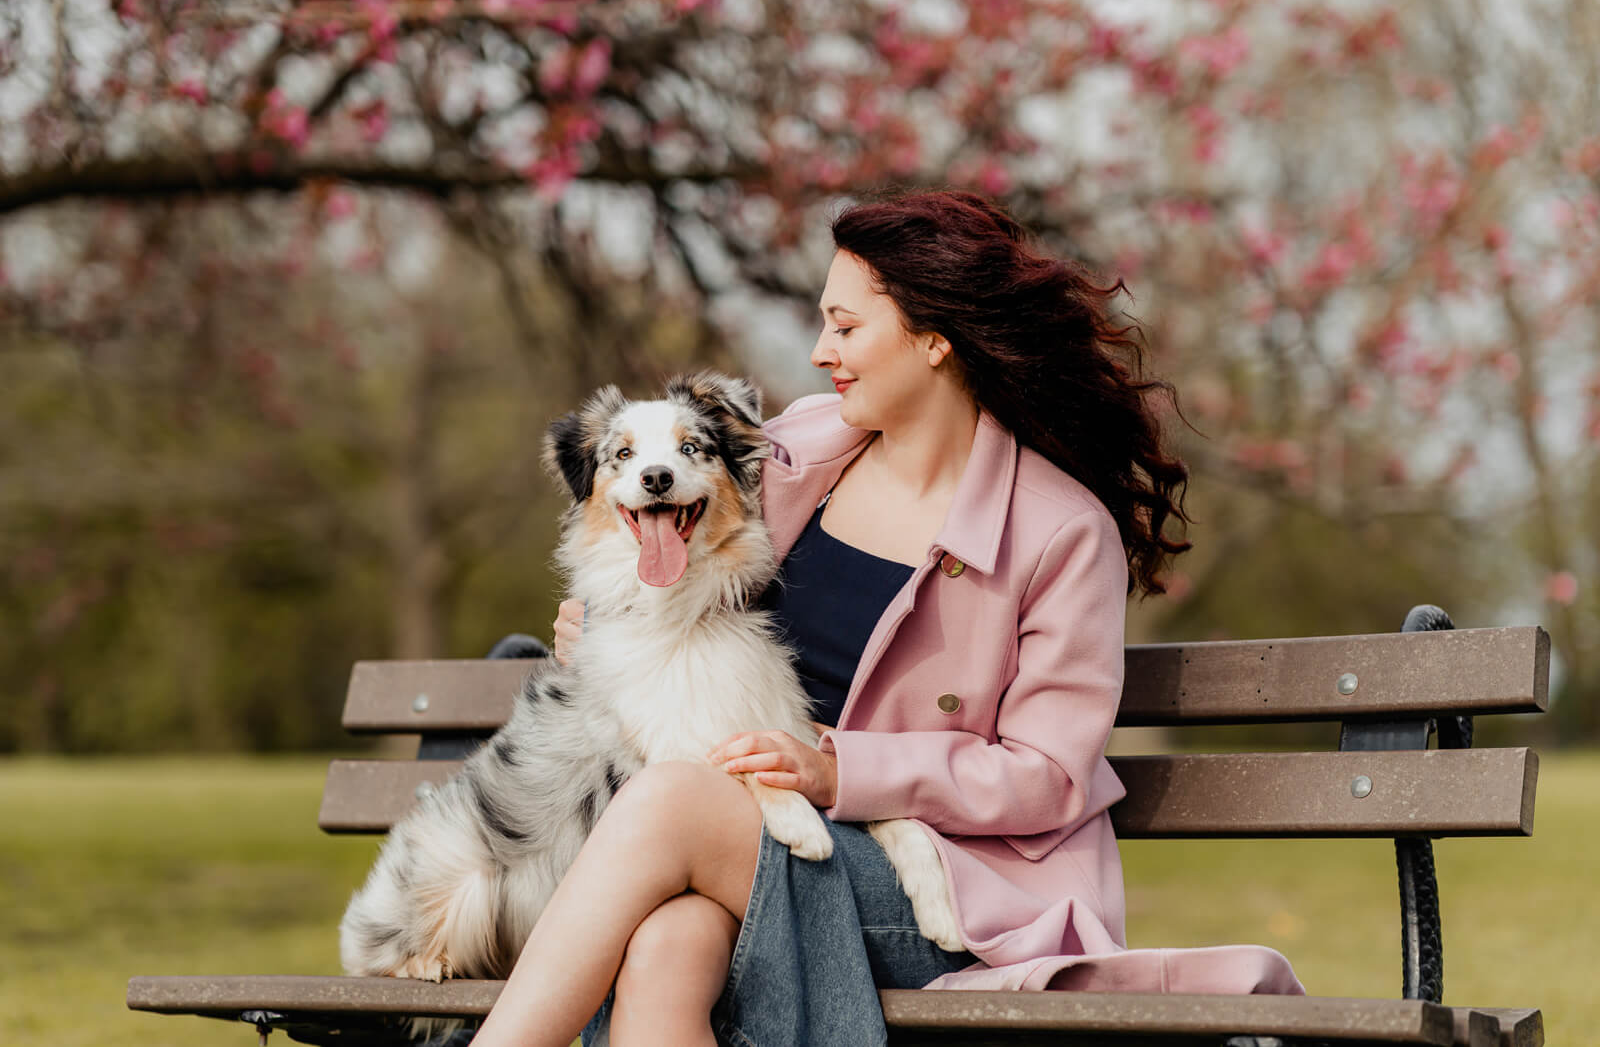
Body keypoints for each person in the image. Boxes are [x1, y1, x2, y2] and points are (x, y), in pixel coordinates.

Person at [468, 190, 1300, 1047]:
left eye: (846, 326)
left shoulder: (1058, 531)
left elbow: (1047, 773)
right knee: (665, 947)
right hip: (765, 831)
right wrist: (615, 625)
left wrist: (840, 771)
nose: (822, 351)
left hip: (950, 886)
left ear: (934, 338)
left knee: (670, 801)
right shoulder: (797, 454)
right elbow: (673, 554)